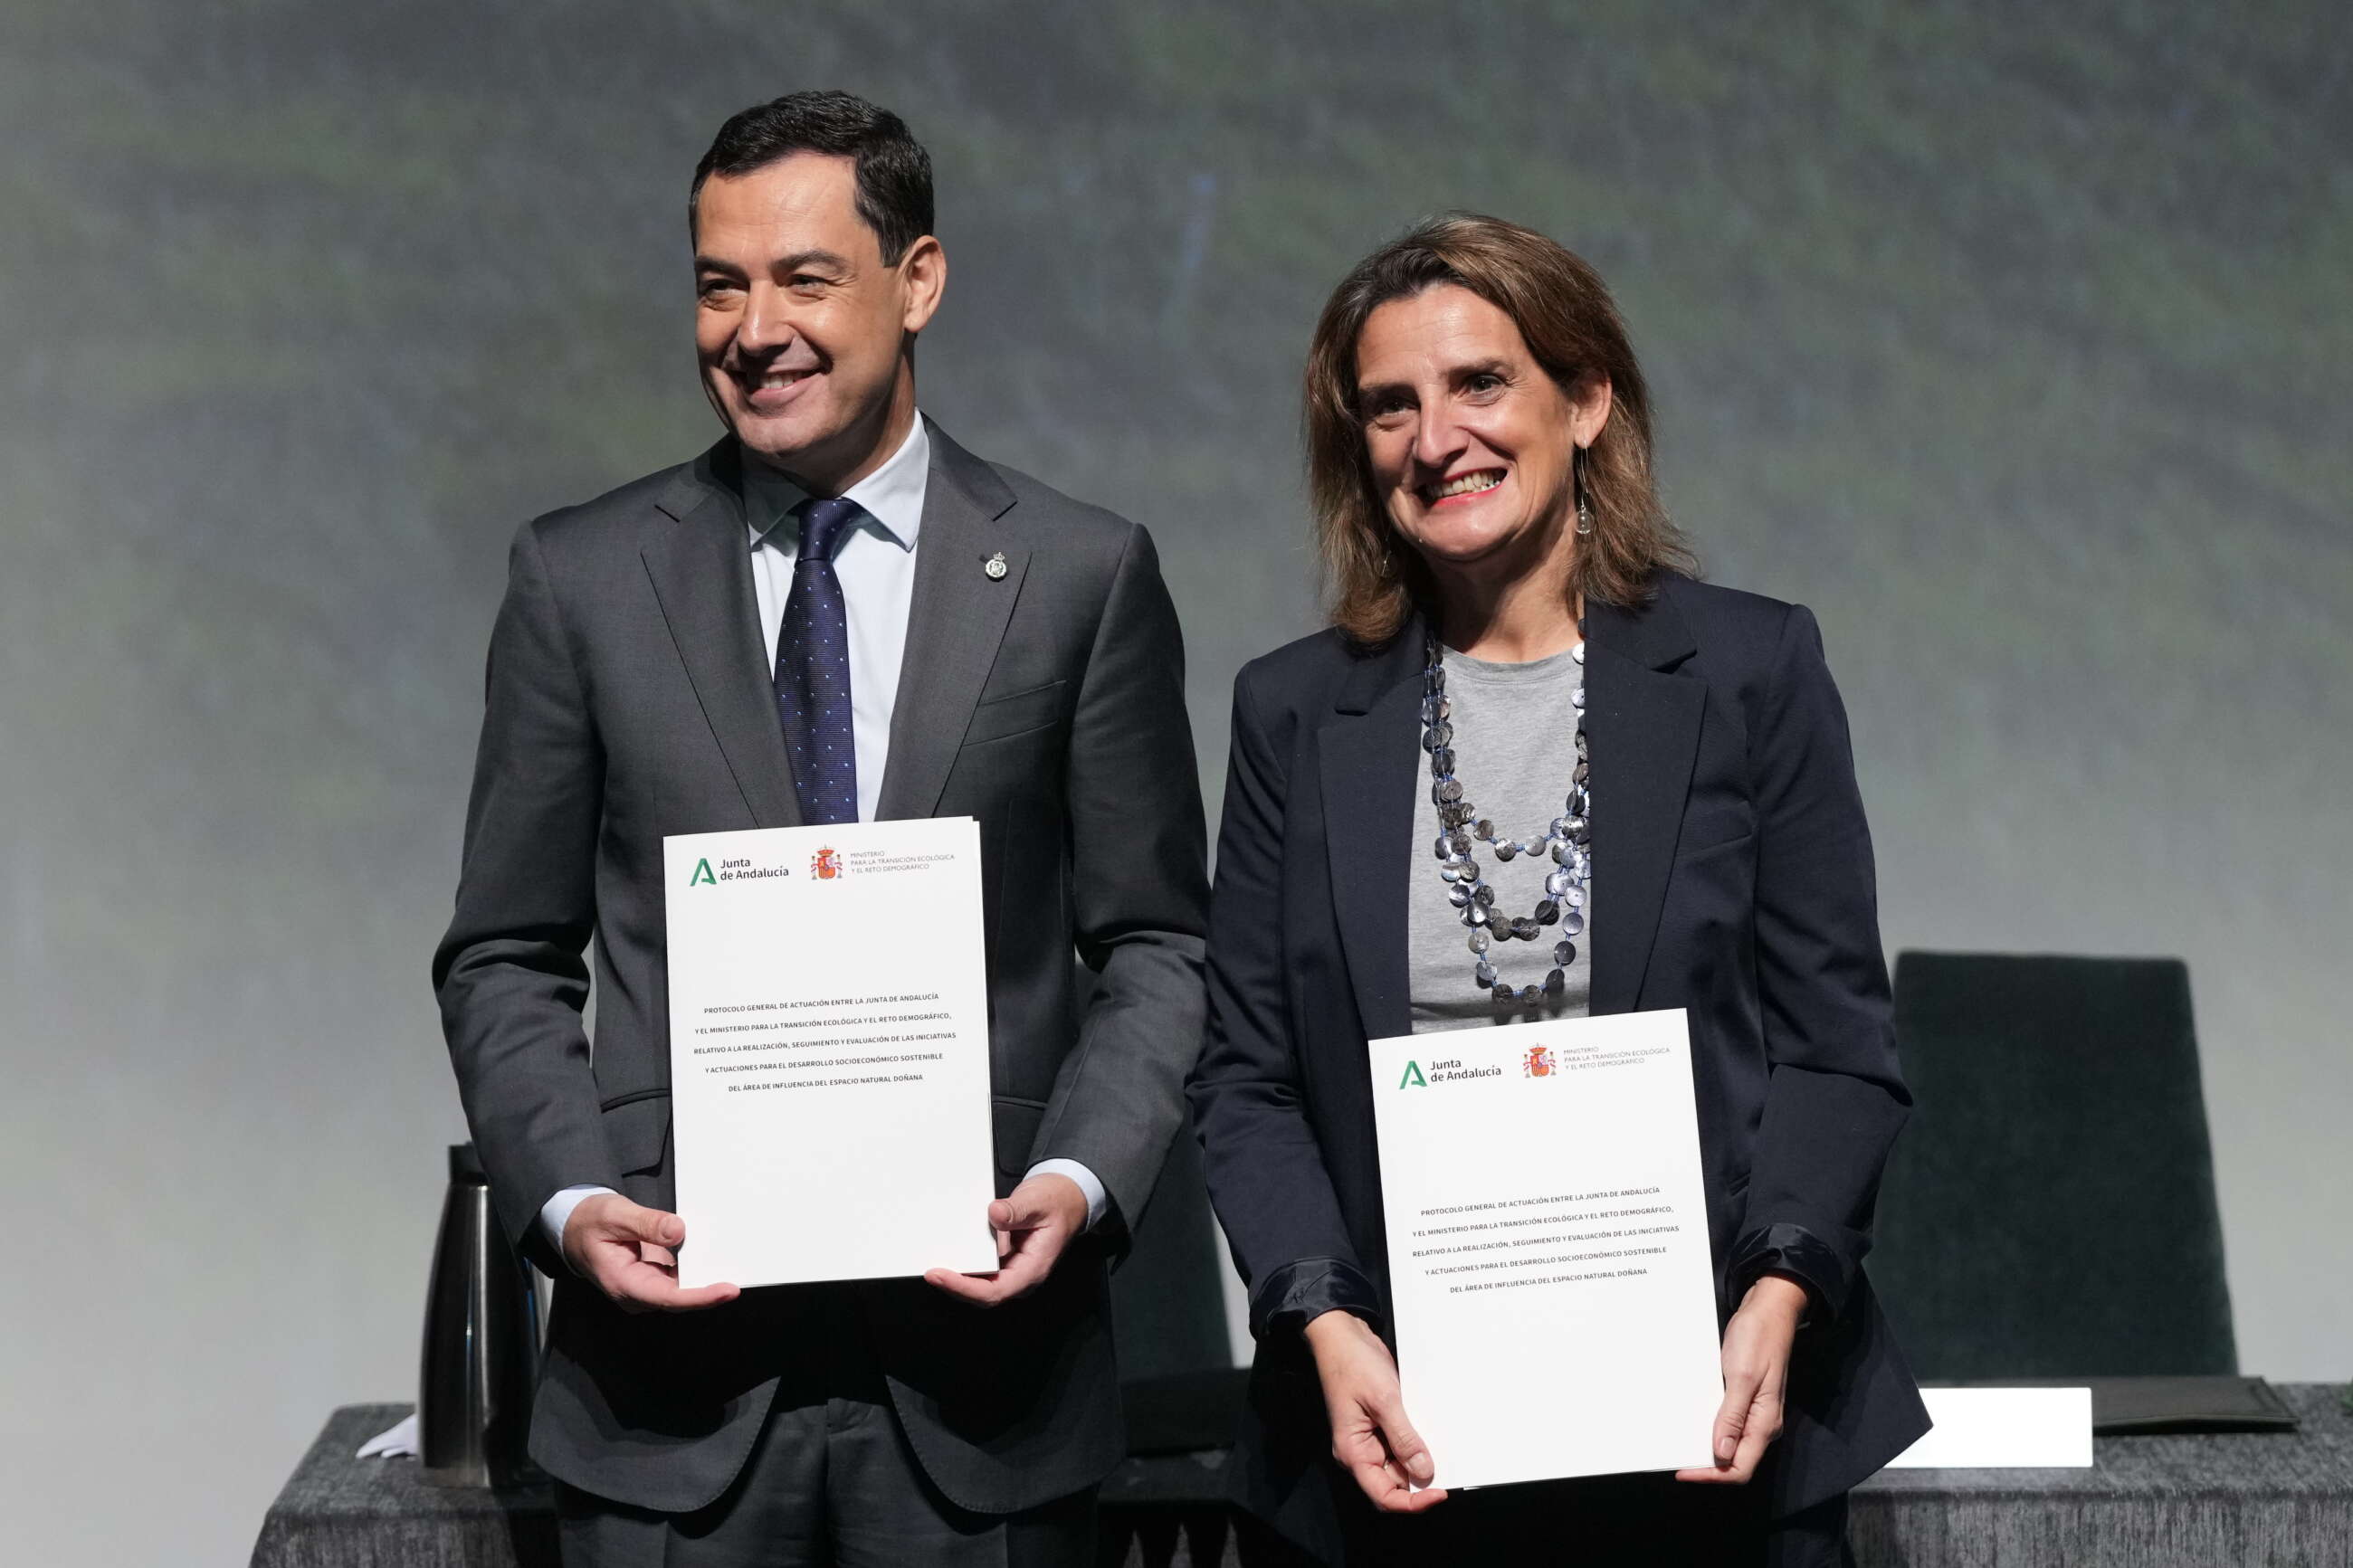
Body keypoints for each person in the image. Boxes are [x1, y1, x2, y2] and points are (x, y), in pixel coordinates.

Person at [432, 90, 1208, 1567]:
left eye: (803, 277)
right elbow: (504, 952)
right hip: (670, 1393)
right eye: (719, 285)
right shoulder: (580, 579)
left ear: (918, 280)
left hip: (988, 1388)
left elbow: (1160, 939)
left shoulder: (1077, 574)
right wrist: (575, 1199)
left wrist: (1082, 1176)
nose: (753, 327)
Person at [1186, 214, 1929, 1565]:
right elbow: (1244, 1078)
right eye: (1390, 406)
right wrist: (1325, 1318)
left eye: (1481, 383)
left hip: (1709, 1438)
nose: (1436, 437)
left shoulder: (1751, 673)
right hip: (1393, 1448)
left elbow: (1840, 1048)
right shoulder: (1292, 711)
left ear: (1584, 399)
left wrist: (1778, 1292)